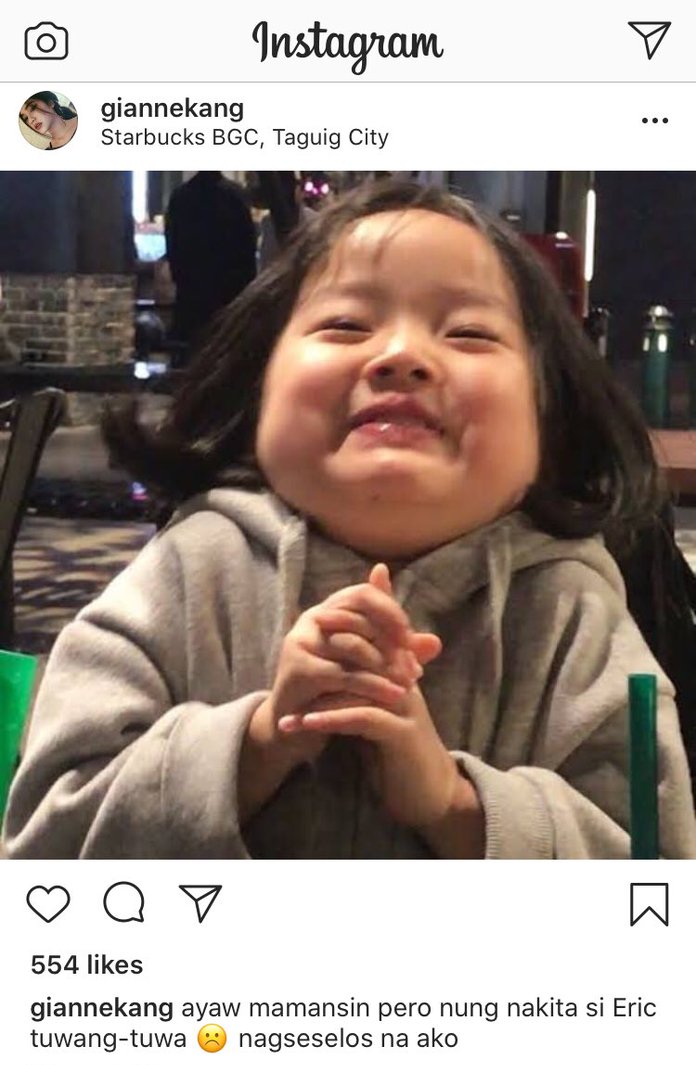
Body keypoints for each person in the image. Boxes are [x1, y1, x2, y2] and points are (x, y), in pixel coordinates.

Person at [2, 179, 695, 860]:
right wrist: (258, 744)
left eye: (468, 332)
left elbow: (652, 870)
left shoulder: (571, 611)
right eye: (346, 325)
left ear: (548, 416)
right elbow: (42, 839)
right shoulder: (187, 574)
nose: (401, 356)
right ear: (258, 387)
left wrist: (453, 804)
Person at [165, 171, 257, 362]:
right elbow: (247, 250)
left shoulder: (181, 197)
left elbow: (174, 248)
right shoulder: (235, 196)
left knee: (188, 358)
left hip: (191, 297)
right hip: (228, 296)